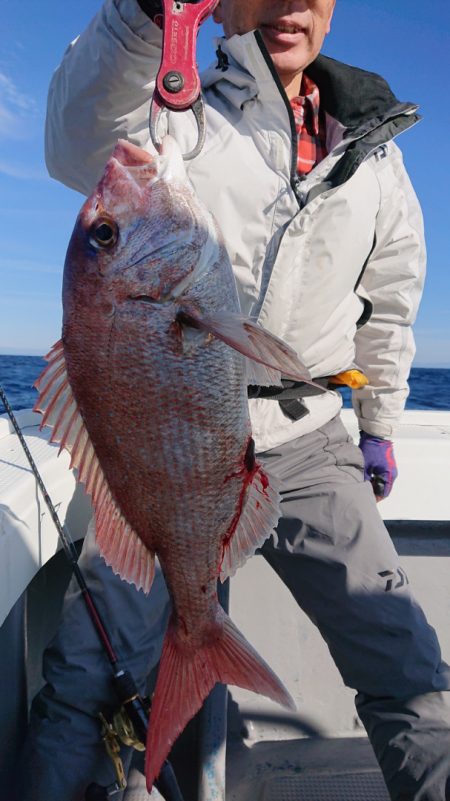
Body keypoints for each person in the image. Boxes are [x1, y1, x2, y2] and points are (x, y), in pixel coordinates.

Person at [18, 1, 450, 800]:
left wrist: (379, 425)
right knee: (84, 681)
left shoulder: (375, 147)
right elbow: (76, 136)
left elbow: (390, 302)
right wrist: (141, 19)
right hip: (162, 452)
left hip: (310, 437)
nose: (290, 5)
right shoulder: (178, 109)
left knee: (408, 666)